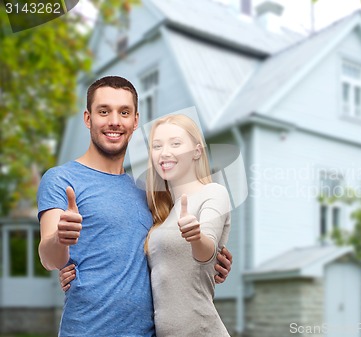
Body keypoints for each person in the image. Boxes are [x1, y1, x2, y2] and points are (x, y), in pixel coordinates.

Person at [37, 76, 232, 336]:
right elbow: (50, 258)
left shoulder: (148, 194)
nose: (114, 121)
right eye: (104, 111)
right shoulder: (61, 179)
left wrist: (213, 260)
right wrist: (61, 238)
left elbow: (171, 248)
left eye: (124, 112)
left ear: (135, 121)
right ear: (87, 118)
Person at [144, 114, 231, 336]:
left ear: (197, 151)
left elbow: (208, 252)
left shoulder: (213, 193)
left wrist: (196, 237)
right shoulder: (164, 214)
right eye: (157, 146)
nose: (164, 152)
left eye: (175, 143)